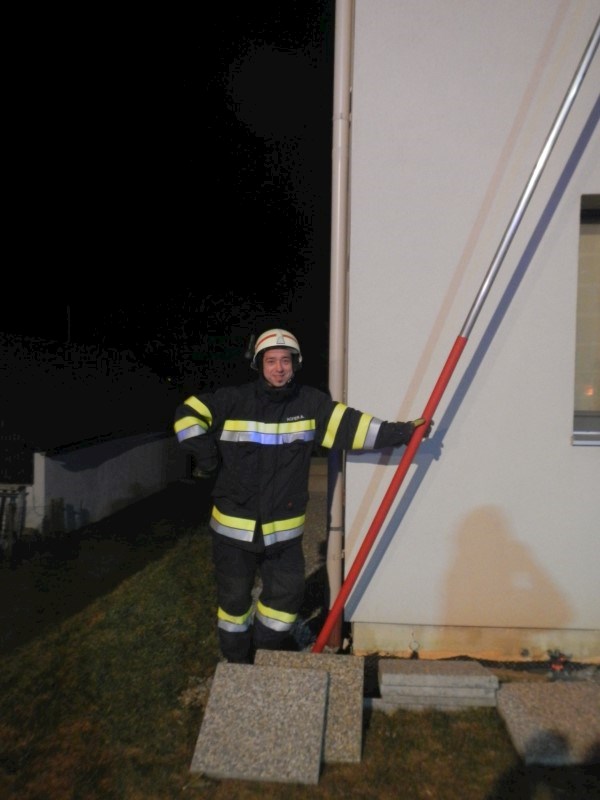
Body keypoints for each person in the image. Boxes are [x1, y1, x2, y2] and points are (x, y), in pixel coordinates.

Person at [173, 327, 432, 663]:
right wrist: (207, 457)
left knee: (284, 603)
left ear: (295, 364)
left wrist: (402, 432)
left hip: (283, 534)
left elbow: (354, 427)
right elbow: (188, 413)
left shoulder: (311, 404)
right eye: (271, 361)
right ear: (259, 365)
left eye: (285, 361)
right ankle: (237, 663)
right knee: (234, 604)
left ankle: (265, 653)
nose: (278, 368)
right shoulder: (233, 400)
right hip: (232, 533)